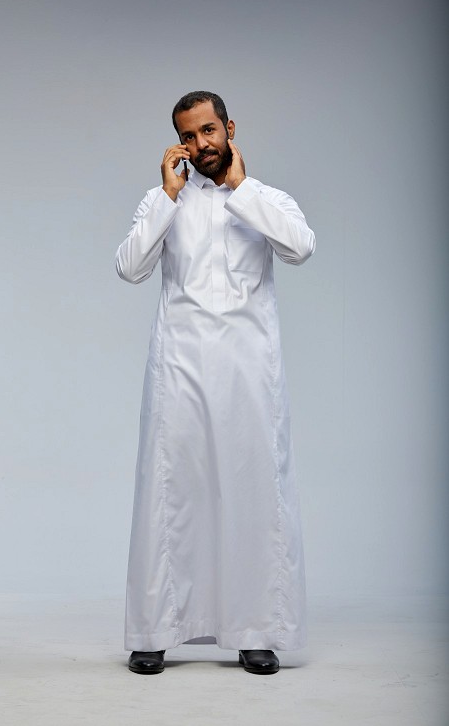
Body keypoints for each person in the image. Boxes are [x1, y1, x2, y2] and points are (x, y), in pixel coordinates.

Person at [115, 91, 316, 675]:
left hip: (250, 370)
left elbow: (300, 248)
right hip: (179, 367)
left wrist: (241, 189)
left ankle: (256, 632)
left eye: (208, 130)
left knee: (253, 493)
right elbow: (130, 267)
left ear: (229, 128)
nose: (200, 144)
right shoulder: (163, 200)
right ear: (177, 142)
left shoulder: (266, 197)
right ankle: (154, 631)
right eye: (188, 135)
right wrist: (166, 198)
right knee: (170, 494)